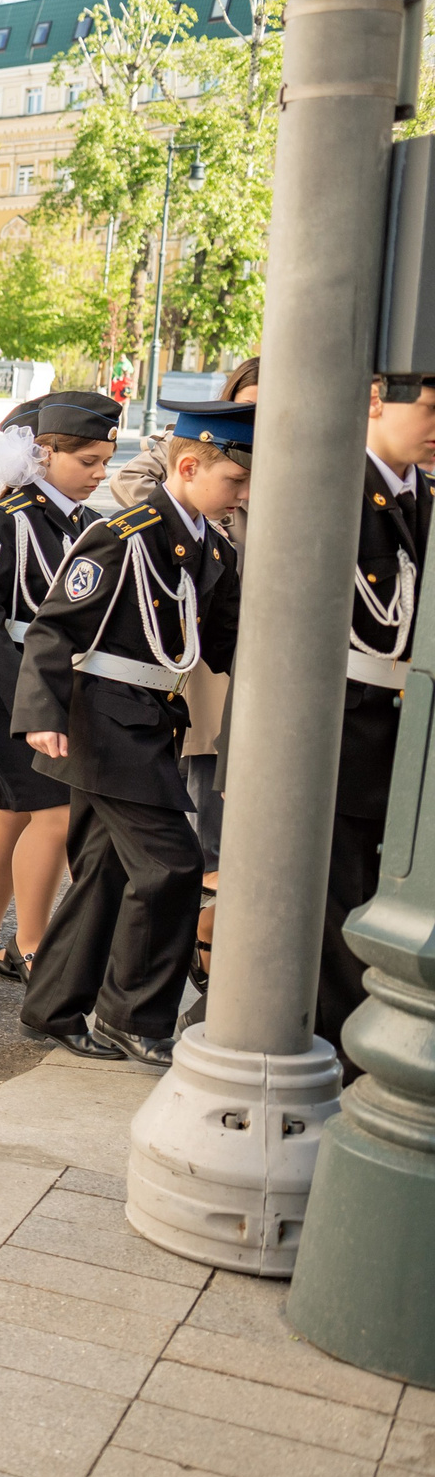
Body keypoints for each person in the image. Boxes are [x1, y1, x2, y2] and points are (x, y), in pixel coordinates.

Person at [13, 396, 249, 1067]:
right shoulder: (128, 534)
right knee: (173, 864)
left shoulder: (210, 544)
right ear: (189, 465)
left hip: (150, 723)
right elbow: (55, 627)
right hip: (106, 725)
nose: (241, 495)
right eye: (233, 481)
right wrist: (41, 713)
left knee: (106, 871)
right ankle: (129, 1014)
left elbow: (229, 642)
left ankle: (52, 1006)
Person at [0, 392, 120, 980]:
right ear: (44, 454)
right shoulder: (7, 517)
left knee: (14, 814)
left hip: (58, 687)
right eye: (89, 462)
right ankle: (35, 946)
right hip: (8, 688)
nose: (101, 474)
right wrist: (33, 698)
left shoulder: (90, 523)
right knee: (54, 813)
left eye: (106, 461)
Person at [107, 356, 256, 979]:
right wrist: (200, 489)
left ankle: (197, 948)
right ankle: (189, 952)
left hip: (252, 657)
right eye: (245, 404)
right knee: (196, 832)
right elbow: (139, 483)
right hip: (198, 672)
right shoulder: (198, 482)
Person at [318, 372, 435, 1071]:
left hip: (400, 732)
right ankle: (339, 1045)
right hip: (338, 726)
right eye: (427, 406)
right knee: (333, 901)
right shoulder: (333, 489)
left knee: (371, 891)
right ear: (372, 399)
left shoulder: (420, 495)